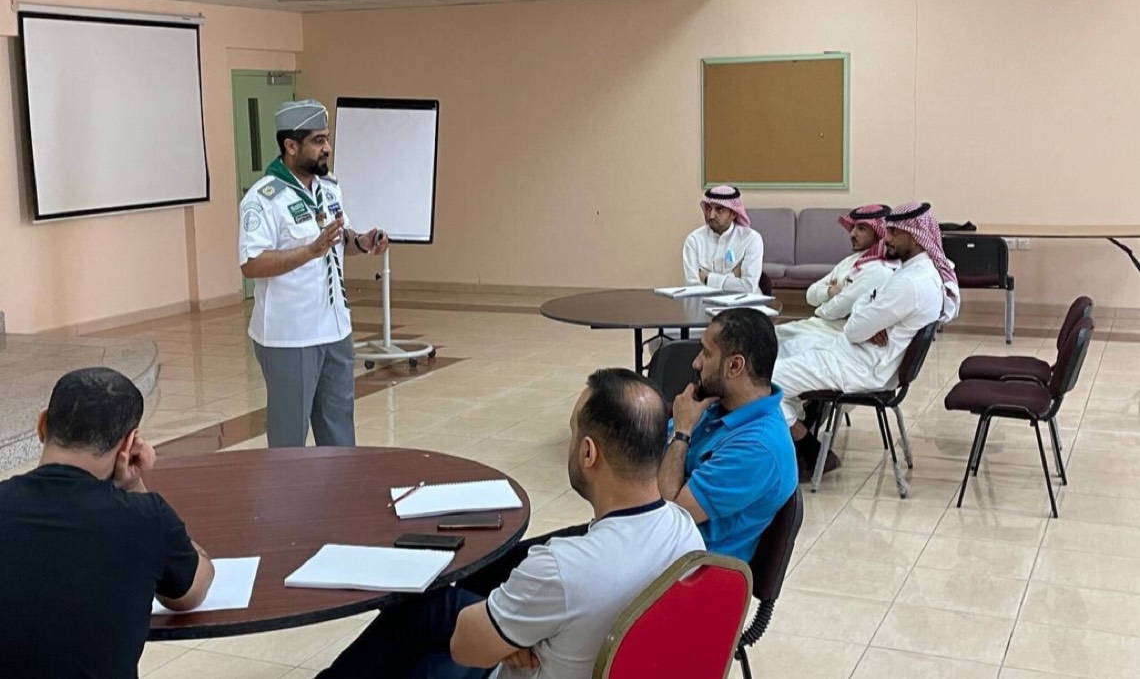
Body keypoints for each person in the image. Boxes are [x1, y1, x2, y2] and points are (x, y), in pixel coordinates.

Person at [317, 368, 703, 679]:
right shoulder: (685, 533)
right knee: (439, 608)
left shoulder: (561, 568)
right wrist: (518, 626)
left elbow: (467, 648)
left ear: (589, 453)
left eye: (573, 433)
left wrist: (509, 630)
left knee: (416, 616)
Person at [0, 368, 215, 679]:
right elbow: (192, 590)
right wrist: (134, 486)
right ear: (129, 444)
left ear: (42, 424)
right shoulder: (144, 518)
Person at [239, 99, 390, 447]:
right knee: (289, 439)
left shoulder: (328, 187)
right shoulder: (264, 199)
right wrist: (310, 250)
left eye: (327, 139)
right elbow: (252, 263)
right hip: (291, 337)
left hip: (335, 329)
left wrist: (362, 242)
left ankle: (338, 483)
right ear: (291, 146)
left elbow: (338, 240)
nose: (327, 148)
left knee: (339, 431)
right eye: (318, 141)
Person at [773, 201, 959, 476]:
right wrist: (868, 312)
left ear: (915, 237)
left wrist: (866, 312)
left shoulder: (909, 283)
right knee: (782, 358)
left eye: (894, 232)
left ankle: (810, 453)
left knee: (767, 385)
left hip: (862, 366)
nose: (888, 238)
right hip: (860, 356)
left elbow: (853, 328)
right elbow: (857, 317)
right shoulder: (917, 273)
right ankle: (797, 449)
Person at [659, 308, 798, 561]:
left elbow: (667, 516)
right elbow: (651, 458)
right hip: (663, 550)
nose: (696, 363)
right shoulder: (718, 404)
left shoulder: (758, 447)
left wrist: (681, 432)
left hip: (692, 569)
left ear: (734, 366)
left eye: (706, 353)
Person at [776, 204, 897, 356]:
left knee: (780, 349)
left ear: (879, 233)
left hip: (839, 335)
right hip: (820, 326)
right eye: (853, 227)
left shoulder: (880, 270)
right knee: (771, 334)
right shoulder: (849, 261)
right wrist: (830, 291)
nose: (852, 234)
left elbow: (835, 311)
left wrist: (823, 307)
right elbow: (810, 295)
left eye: (861, 229)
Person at [683, 186, 765, 293]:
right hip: (705, 303)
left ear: (734, 213)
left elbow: (748, 287)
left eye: (720, 210)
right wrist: (733, 276)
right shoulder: (694, 240)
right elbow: (693, 287)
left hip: (745, 303)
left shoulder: (751, 239)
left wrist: (708, 278)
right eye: (709, 209)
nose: (711, 215)